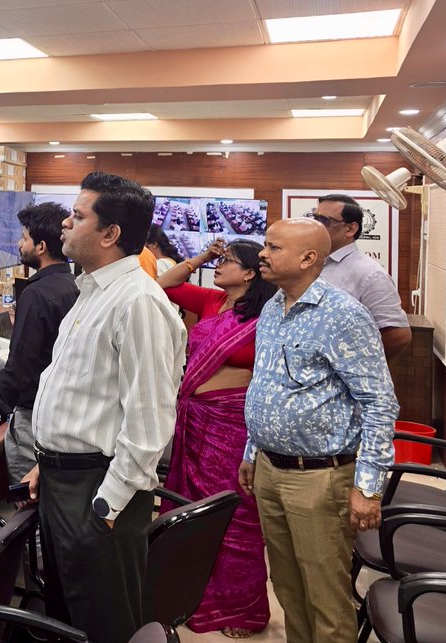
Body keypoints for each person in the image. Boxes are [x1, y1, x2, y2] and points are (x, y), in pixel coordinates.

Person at [23, 171, 187, 643]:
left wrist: (105, 506)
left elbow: (149, 421)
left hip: (98, 492)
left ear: (110, 233)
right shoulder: (93, 291)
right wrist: (48, 462)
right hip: (64, 480)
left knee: (102, 623)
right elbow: (83, 396)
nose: (64, 227)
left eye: (77, 217)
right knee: (68, 618)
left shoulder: (138, 302)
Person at [238, 218, 398, 643]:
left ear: (309, 258)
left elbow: (380, 403)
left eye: (273, 247)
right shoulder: (273, 307)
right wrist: (253, 451)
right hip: (271, 471)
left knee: (326, 599)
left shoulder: (344, 315)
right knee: (289, 591)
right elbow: (268, 384)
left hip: (320, 477)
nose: (262, 254)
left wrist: (368, 487)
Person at [156, 238, 276, 638]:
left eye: (227, 261)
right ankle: (187, 595)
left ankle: (242, 609)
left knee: (236, 515)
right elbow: (166, 285)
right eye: (218, 260)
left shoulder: (269, 315)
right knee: (190, 507)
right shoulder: (210, 301)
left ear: (250, 273)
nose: (219, 266)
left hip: (233, 425)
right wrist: (202, 256)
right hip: (194, 422)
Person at [0, 202, 79, 484]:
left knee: (27, 503)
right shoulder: (72, 286)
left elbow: (19, 372)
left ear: (41, 246)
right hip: (59, 416)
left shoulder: (36, 295)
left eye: (24, 238)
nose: (19, 244)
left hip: (34, 420)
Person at [306, 194, 411, 357]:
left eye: (325, 221)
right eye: (315, 218)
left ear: (350, 229)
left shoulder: (371, 274)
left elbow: (398, 336)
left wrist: (356, 364)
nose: (316, 226)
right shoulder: (313, 263)